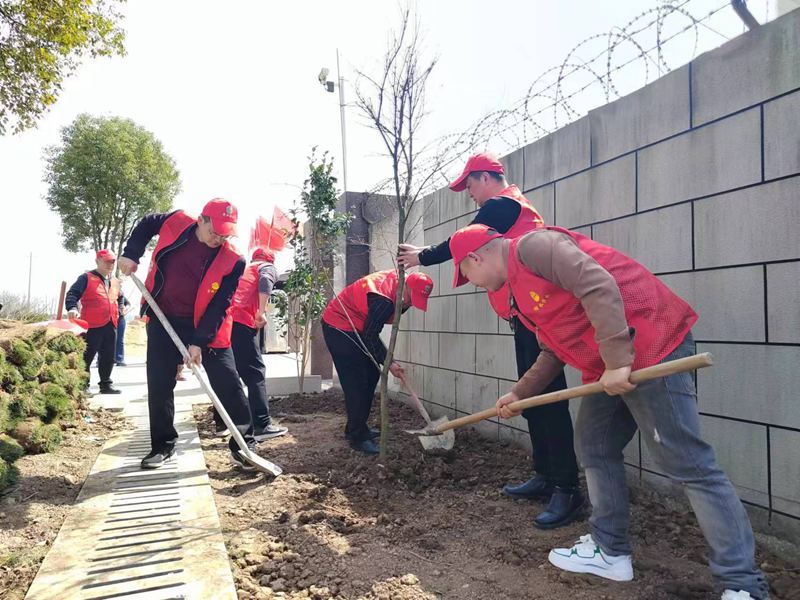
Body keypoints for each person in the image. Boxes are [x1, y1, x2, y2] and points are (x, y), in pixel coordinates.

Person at [448, 223, 768, 600]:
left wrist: (618, 359)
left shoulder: (535, 248)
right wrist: (519, 393)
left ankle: (742, 584)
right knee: (594, 446)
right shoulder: (519, 291)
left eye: (466, 274)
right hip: (610, 367)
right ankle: (610, 550)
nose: (471, 282)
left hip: (650, 348)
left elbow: (597, 284)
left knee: (689, 463)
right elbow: (553, 349)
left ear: (475, 257)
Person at [398, 153, 581, 529]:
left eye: (469, 184)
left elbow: (465, 242)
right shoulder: (508, 209)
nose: (468, 194)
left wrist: (423, 256)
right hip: (527, 312)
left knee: (547, 401)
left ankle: (566, 488)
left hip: (541, 312)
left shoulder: (504, 204)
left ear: (486, 178)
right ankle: (546, 475)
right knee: (531, 400)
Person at [118, 198, 259, 470]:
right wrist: (131, 252)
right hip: (163, 315)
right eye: (213, 231)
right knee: (159, 383)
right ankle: (163, 445)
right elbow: (147, 223)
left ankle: (245, 443)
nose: (218, 238)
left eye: (225, 233)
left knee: (227, 380)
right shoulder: (176, 222)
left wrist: (198, 342)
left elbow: (220, 305)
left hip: (206, 324)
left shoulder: (234, 260)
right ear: (201, 220)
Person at [321, 270, 433, 454]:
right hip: (339, 324)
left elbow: (369, 334)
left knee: (372, 373)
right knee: (357, 381)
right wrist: (390, 364)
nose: (410, 304)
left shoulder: (398, 284)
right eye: (411, 299)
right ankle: (357, 436)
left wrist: (389, 363)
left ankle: (357, 427)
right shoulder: (383, 301)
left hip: (357, 325)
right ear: (405, 286)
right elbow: (370, 335)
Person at [228, 247, 287, 441]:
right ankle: (262, 424)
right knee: (255, 372)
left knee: (231, 372)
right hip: (242, 321)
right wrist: (261, 311)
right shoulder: (266, 267)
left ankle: (224, 422)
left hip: (225, 321)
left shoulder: (244, 268)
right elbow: (265, 281)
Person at [65, 249, 123, 394]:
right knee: (87, 356)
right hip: (91, 324)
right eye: (106, 261)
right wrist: (72, 308)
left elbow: (120, 297)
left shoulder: (115, 281)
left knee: (109, 357)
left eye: (112, 262)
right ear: (97, 261)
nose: (110, 264)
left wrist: (121, 307)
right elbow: (72, 294)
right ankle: (83, 385)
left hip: (111, 324)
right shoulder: (86, 278)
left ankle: (105, 385)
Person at [115, 289, 132, 366]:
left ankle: (120, 359)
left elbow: (128, 304)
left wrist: (125, 309)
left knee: (120, 339)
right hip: (109, 317)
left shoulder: (120, 294)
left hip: (120, 318)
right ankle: (104, 359)